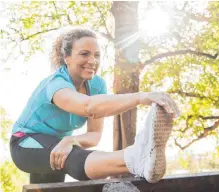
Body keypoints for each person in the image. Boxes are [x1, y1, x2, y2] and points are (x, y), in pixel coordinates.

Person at [9, 27, 180, 184]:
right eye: (84, 54)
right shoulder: (56, 84)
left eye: (97, 55)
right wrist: (142, 97)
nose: (92, 61)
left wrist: (73, 138)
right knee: (72, 157)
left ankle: (138, 157)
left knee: (53, 185)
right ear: (66, 58)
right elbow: (88, 107)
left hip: (58, 144)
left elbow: (95, 135)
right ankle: (134, 158)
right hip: (24, 143)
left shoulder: (97, 85)